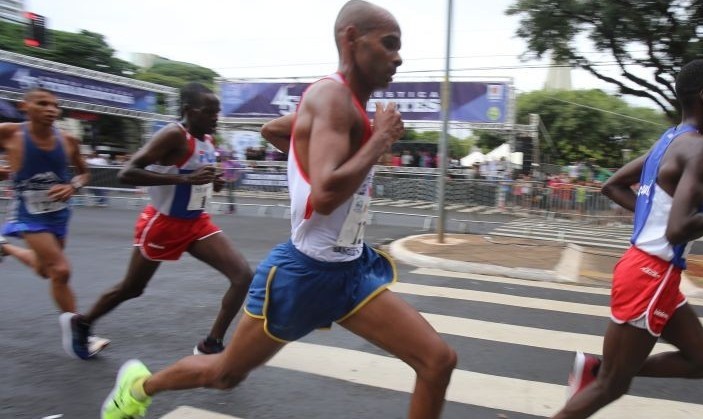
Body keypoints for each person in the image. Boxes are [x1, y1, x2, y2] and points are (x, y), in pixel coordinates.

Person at [101, 2, 456, 418]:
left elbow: (274, 131)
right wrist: (377, 142)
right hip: (304, 274)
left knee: (438, 361)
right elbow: (324, 196)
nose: (398, 57)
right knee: (225, 374)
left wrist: (303, 162)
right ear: (351, 39)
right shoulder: (331, 97)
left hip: (350, 272)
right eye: (389, 44)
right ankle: (138, 387)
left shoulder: (345, 106)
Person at [554, 59, 703, 418]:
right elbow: (677, 230)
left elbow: (612, 185)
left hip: (651, 271)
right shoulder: (699, 148)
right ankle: (608, 371)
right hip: (652, 273)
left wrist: (652, 219)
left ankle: (605, 367)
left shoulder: (669, 139)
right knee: (611, 387)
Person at [79, 82, 254, 357]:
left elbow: (197, 178)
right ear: (188, 110)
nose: (215, 118)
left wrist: (212, 183)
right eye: (209, 112)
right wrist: (185, 179)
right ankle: (82, 323)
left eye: (217, 112)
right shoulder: (173, 134)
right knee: (132, 288)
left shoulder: (207, 140)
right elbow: (128, 173)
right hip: (164, 224)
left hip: (197, 223)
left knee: (243, 276)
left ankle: (211, 344)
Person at [0, 87, 106, 359]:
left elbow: (84, 173)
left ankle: (5, 248)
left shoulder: (68, 140)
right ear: (25, 107)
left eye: (55, 105)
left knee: (45, 270)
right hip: (27, 214)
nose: (51, 109)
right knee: (60, 270)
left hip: (59, 214)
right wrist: (4, 172)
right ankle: (80, 335)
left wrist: (73, 185)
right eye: (42, 103)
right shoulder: (9, 133)